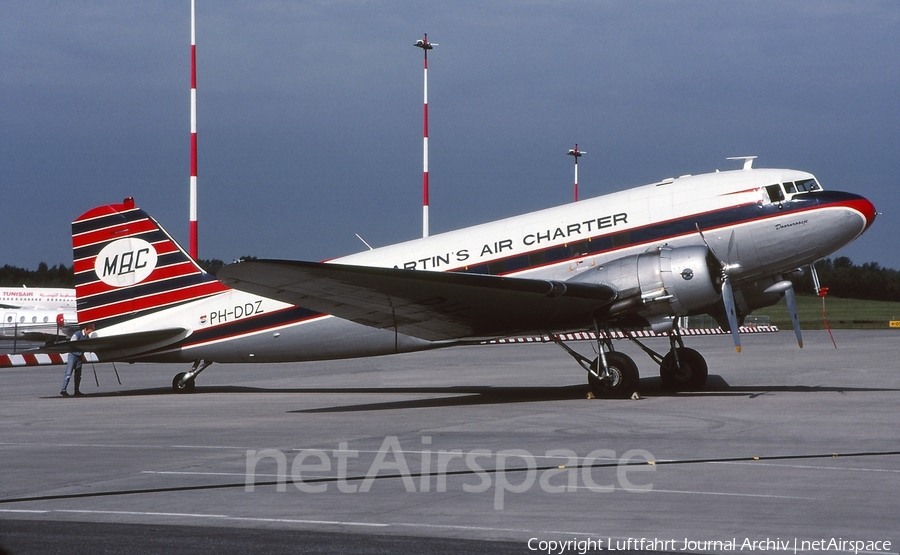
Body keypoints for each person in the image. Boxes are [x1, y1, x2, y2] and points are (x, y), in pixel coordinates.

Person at [60, 324, 94, 397]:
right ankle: (63, 390)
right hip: (73, 356)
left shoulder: (87, 337)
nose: (90, 332)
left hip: (79, 357)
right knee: (68, 373)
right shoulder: (76, 334)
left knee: (78, 375)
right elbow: (72, 344)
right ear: (86, 329)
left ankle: (76, 390)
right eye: (90, 331)